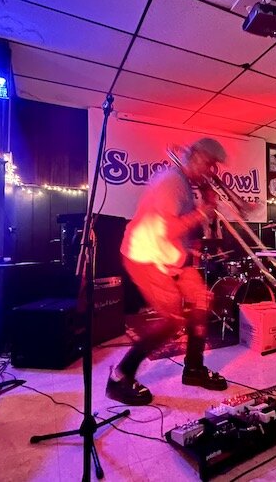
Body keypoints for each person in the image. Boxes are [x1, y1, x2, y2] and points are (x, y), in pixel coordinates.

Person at [106, 138, 229, 406]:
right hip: (146, 255)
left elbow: (180, 230)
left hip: (172, 256)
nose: (211, 171)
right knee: (172, 318)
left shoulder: (185, 182)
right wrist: (204, 212)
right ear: (194, 155)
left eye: (214, 166)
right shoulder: (171, 182)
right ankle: (119, 377)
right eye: (208, 164)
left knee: (201, 302)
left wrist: (194, 240)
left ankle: (194, 369)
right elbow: (169, 229)